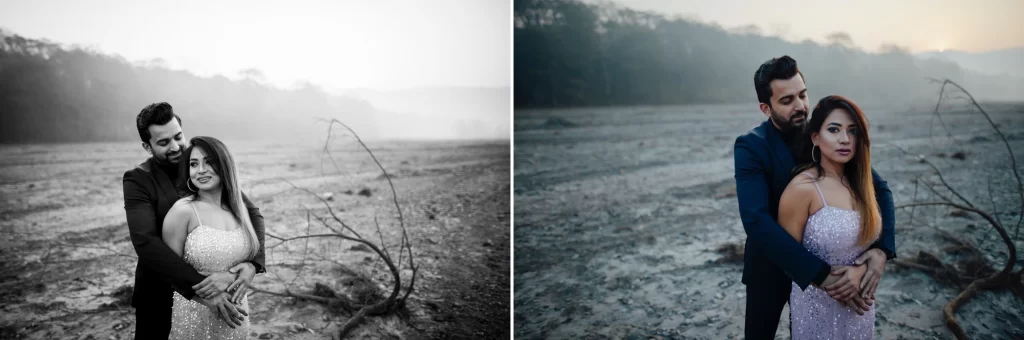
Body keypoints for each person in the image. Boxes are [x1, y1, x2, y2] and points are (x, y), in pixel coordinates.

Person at [733, 56, 896, 339]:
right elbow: (755, 219)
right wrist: (821, 275)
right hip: (770, 269)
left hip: (826, 263)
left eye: (803, 95)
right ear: (766, 108)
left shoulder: (822, 134)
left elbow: (880, 189)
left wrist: (883, 250)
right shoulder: (751, 146)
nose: (800, 106)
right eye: (787, 100)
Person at [122, 102, 266, 339]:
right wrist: (204, 289)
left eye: (178, 136)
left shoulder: (206, 171)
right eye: (163, 142)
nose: (176, 146)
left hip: (221, 292)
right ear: (147, 147)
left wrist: (253, 265)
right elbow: (145, 241)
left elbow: (253, 214)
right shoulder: (138, 179)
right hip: (158, 293)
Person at [779, 95, 880, 338]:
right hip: (817, 309)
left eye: (853, 131)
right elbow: (785, 257)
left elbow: (867, 242)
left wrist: (868, 265)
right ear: (815, 136)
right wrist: (839, 285)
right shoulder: (802, 189)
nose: (845, 139)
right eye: (834, 130)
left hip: (860, 311)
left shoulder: (862, 185)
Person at [163, 136, 260, 338]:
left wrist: (248, 268)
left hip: (237, 315)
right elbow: (167, 271)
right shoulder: (183, 211)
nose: (200, 170)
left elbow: (248, 258)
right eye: (194, 164)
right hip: (195, 314)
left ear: (225, 165)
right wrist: (206, 297)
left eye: (209, 162)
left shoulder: (239, 210)